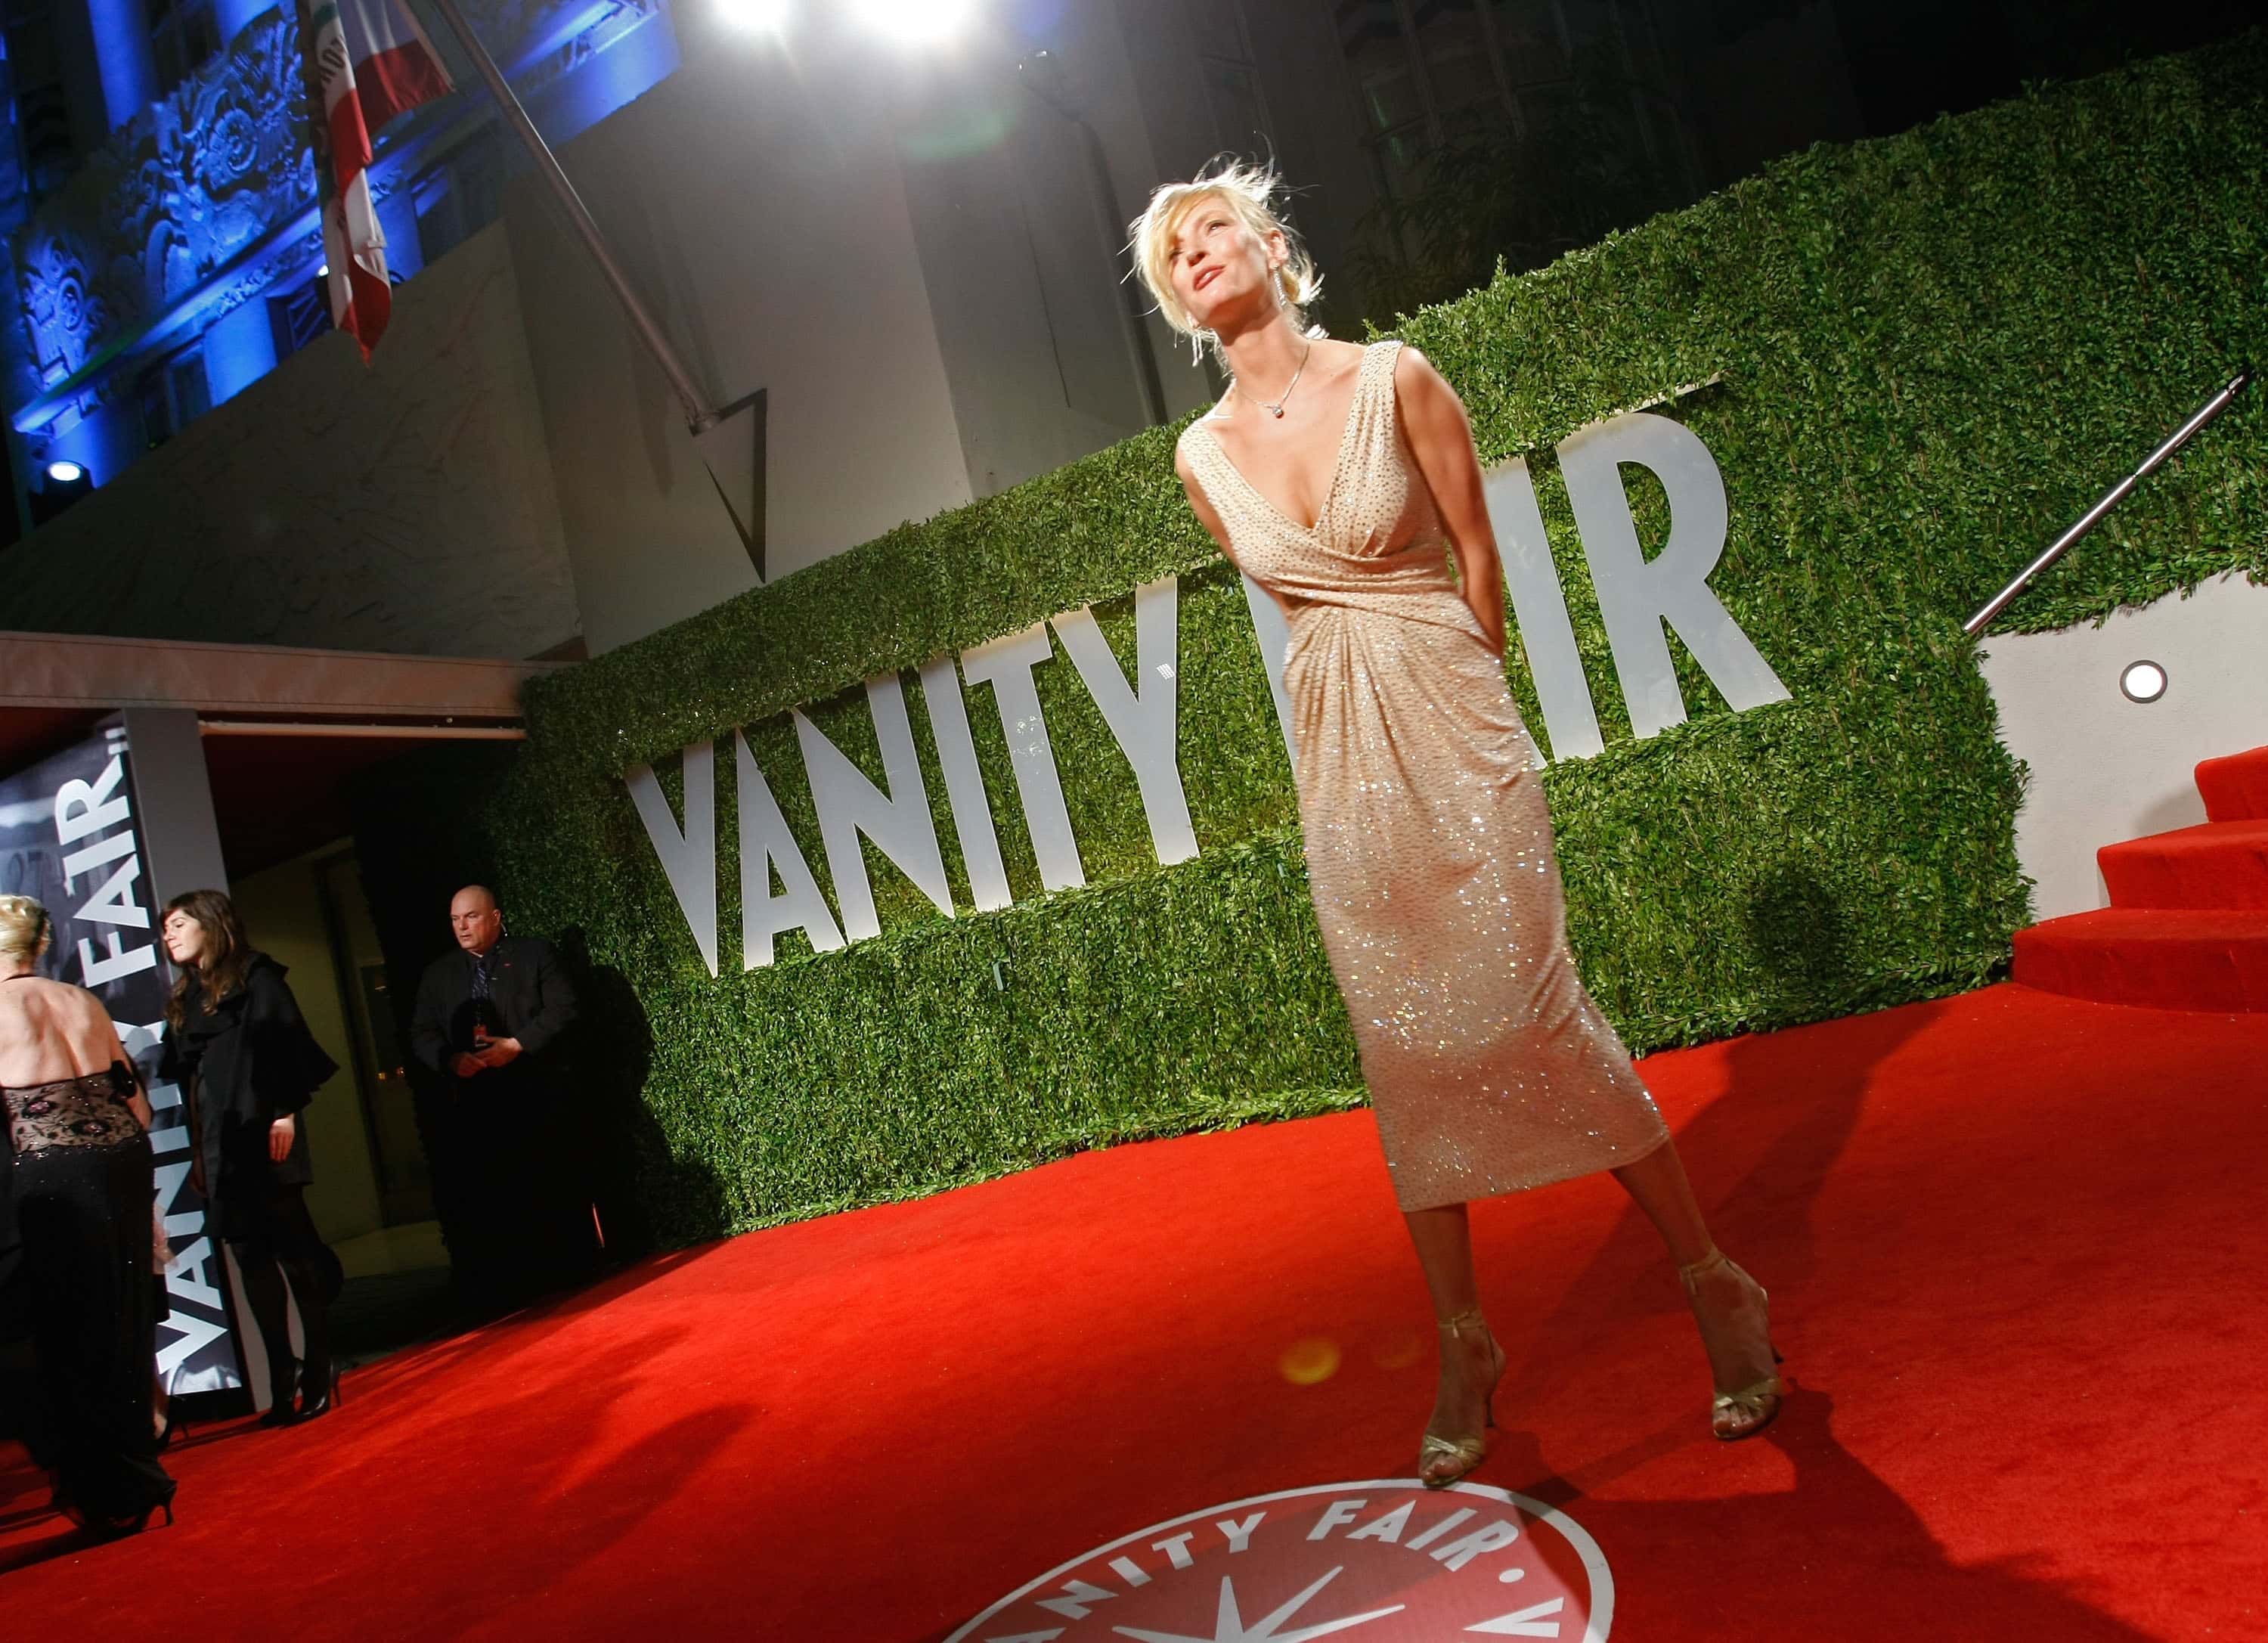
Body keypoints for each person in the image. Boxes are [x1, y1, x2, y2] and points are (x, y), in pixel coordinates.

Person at [1134, 161, 1784, 1486]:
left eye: (1215, 230)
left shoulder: (1398, 378)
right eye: (1175, 254)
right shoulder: (1199, 455)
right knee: (1404, 1042)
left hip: (1454, 716)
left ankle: (1714, 1278)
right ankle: (1465, 1339)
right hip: (1336, 748)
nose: (1199, 253)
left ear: (1270, 242)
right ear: (1178, 303)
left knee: (1535, 1001)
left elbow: (1478, 560)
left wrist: (1474, 721)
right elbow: (1294, 608)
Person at [0, 894, 176, 1534]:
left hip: (56, 1173)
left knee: (67, 1331)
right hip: (125, 1161)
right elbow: (136, 1102)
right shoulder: (82, 1000)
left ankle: (107, 1490)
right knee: (124, 1316)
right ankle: (137, 1472)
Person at [157, 890, 343, 1427]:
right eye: (164, 927)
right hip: (220, 1144)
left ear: (211, 924)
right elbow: (191, 1082)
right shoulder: (186, 996)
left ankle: (321, 1365)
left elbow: (289, 1044)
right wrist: (198, 1151)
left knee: (293, 1251)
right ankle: (282, 1376)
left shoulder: (258, 978)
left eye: (178, 923)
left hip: (266, 1132)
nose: (168, 934)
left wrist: (286, 1113)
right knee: (251, 1261)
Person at [410, 885, 592, 1312]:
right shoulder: (438, 976)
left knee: (552, 1183)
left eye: (471, 917)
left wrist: (517, 1045)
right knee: (497, 1195)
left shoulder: (534, 955)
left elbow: (564, 1008)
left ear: (495, 917)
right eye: (455, 920)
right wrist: (449, 1060)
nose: (462, 927)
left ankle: (576, 1273)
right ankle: (516, 1286)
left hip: (538, 1095)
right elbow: (421, 1032)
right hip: (477, 1108)